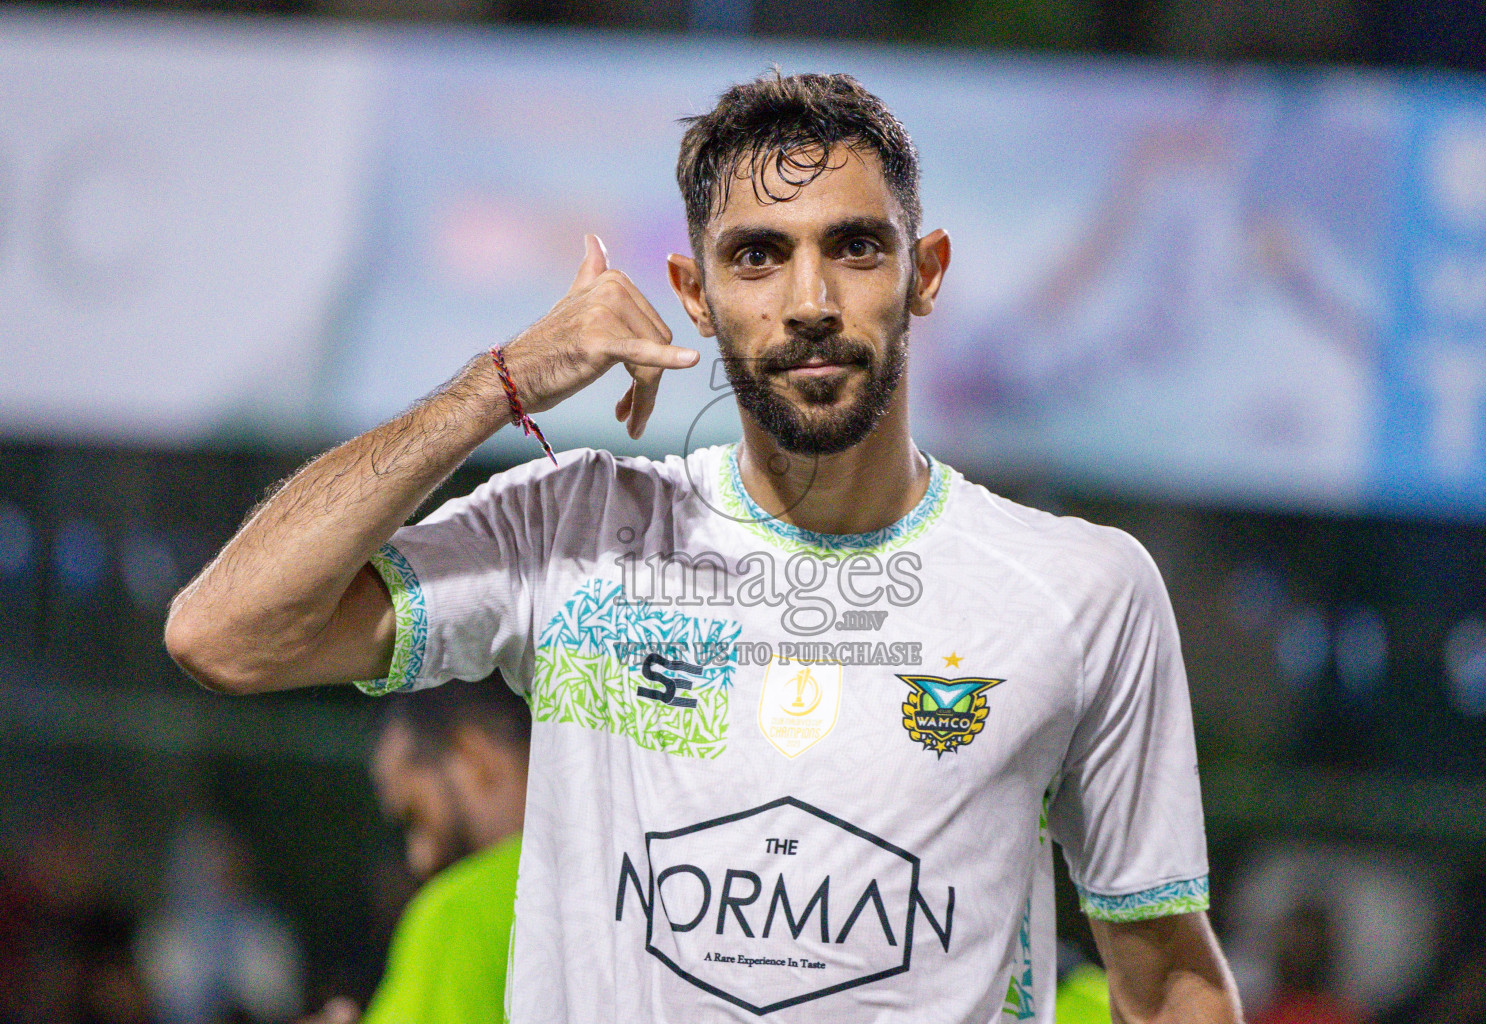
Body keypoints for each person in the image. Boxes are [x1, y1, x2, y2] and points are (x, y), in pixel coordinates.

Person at [165, 70, 1242, 1022]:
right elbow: (227, 633)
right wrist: (503, 382)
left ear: (926, 272)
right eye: (758, 256)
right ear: (695, 293)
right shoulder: (574, 533)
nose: (811, 301)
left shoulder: (1079, 591)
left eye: (855, 247)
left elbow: (1169, 985)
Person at [304, 675, 531, 1024]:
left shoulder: (459, 914)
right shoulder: (631, 877)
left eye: (416, 817)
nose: (418, 858)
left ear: (472, 757)